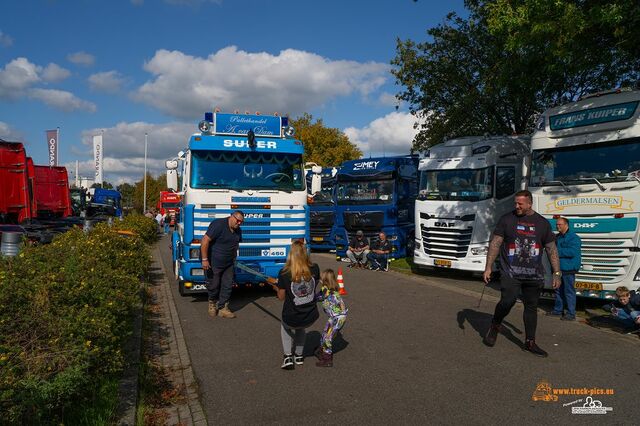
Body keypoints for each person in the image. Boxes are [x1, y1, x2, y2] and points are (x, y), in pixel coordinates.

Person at [482, 190, 561, 357]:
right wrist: (488, 267)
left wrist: (557, 272)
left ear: (530, 203)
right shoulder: (507, 219)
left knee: (531, 307)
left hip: (534, 275)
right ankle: (495, 324)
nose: (516, 206)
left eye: (520, 204)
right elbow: (495, 243)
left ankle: (530, 342)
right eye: (515, 203)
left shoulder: (542, 223)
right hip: (511, 272)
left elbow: (551, 249)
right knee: (508, 301)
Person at [272, 240, 320, 370]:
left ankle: (288, 356)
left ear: (291, 255)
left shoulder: (284, 273)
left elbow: (281, 298)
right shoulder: (315, 268)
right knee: (301, 327)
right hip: (310, 315)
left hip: (292, 316)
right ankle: (299, 356)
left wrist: (276, 287)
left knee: (286, 326)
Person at [200, 211, 244, 319]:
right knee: (214, 285)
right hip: (213, 262)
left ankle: (223, 308)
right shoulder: (218, 224)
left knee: (227, 285)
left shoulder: (238, 230)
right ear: (231, 217)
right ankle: (212, 304)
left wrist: (234, 258)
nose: (239, 223)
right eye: (237, 221)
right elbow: (205, 241)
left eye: (241, 222)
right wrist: (205, 259)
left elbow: (236, 244)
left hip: (228, 263)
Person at [547, 217, 581, 320]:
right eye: (557, 224)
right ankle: (558, 310)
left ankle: (571, 313)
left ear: (566, 225)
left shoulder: (574, 237)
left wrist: (555, 251)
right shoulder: (557, 237)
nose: (557, 226)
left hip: (568, 268)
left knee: (568, 291)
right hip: (557, 269)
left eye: (560, 224)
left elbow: (572, 252)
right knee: (557, 289)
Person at [315, 269, 348, 367]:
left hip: (337, 318)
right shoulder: (329, 289)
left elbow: (318, 297)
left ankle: (327, 359)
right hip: (335, 317)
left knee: (327, 338)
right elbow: (319, 296)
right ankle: (321, 350)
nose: (319, 281)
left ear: (324, 281)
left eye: (321, 279)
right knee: (325, 332)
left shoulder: (326, 290)